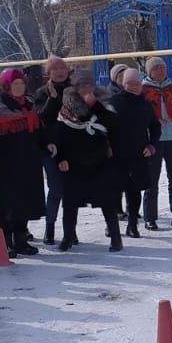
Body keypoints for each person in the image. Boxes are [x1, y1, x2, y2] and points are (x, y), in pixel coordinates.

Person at [51, 69, 122, 251]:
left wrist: (96, 106)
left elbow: (114, 125)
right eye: (82, 85)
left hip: (100, 163)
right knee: (70, 204)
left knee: (107, 202)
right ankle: (68, 238)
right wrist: (61, 158)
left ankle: (116, 238)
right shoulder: (67, 108)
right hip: (74, 164)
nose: (86, 88)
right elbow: (58, 136)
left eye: (89, 84)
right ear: (75, 88)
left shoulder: (104, 103)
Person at [0, 67, 48, 257]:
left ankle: (21, 241)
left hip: (28, 164)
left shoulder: (29, 104)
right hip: (4, 166)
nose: (19, 87)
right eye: (15, 84)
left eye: (21, 83)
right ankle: (6, 243)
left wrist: (47, 144)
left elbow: (38, 130)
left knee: (24, 203)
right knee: (5, 204)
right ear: (6, 85)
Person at [141, 55, 172, 229]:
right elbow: (140, 120)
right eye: (156, 68)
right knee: (151, 180)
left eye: (162, 68)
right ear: (149, 72)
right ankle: (150, 217)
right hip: (153, 142)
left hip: (171, 141)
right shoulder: (144, 91)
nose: (160, 71)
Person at [110, 65, 159, 239]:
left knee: (134, 190)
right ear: (124, 84)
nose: (134, 86)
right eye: (130, 83)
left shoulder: (145, 104)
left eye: (137, 83)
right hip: (117, 154)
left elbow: (155, 127)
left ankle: (132, 225)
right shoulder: (114, 102)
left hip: (139, 154)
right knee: (115, 189)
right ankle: (112, 224)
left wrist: (152, 146)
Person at [33, 55, 74, 244]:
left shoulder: (74, 90)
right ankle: (50, 228)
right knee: (57, 188)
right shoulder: (42, 92)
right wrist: (53, 99)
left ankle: (70, 230)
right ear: (48, 73)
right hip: (50, 148)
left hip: (72, 148)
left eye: (62, 67)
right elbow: (42, 118)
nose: (59, 71)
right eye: (55, 68)